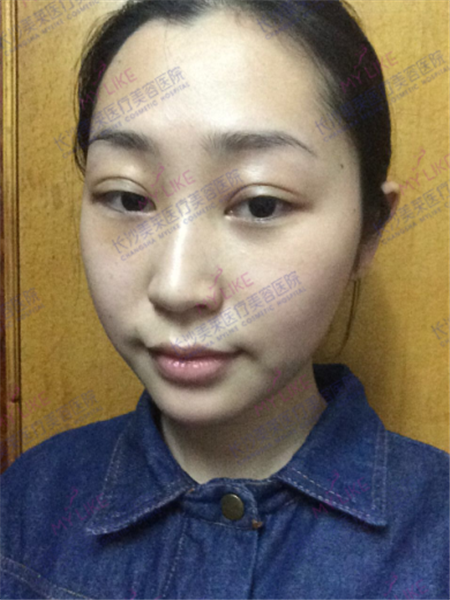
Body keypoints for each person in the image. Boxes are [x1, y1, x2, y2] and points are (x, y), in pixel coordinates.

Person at [1, 1, 448, 598]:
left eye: (260, 205)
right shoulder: (29, 506)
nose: (177, 287)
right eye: (129, 198)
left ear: (369, 229)